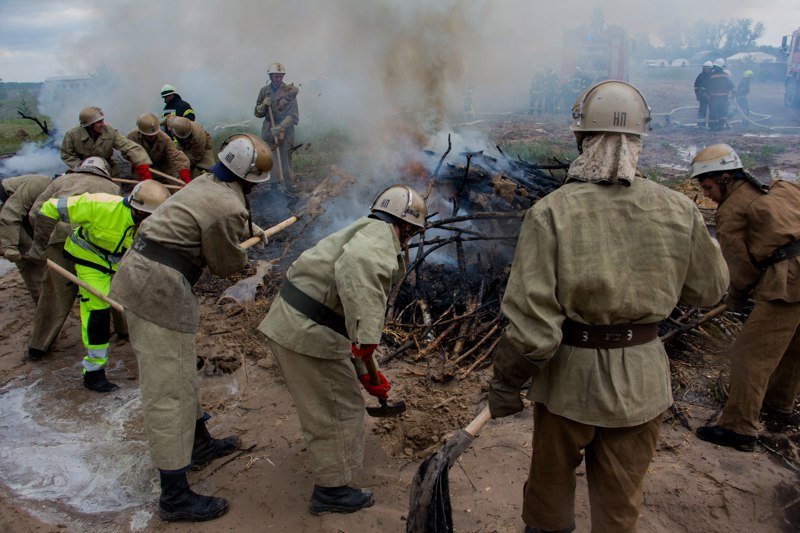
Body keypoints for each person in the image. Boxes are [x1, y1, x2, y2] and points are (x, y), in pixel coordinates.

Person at [487, 80, 729, 533]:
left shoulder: (552, 212)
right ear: (639, 141)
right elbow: (709, 290)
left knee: (549, 496)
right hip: (643, 382)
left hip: (569, 383)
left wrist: (506, 385)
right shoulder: (680, 209)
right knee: (620, 503)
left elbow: (533, 328)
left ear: (582, 139)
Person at [108, 134, 272, 522]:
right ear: (250, 180)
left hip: (147, 276)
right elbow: (225, 265)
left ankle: (199, 445)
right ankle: (175, 497)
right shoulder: (227, 206)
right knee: (168, 390)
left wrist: (244, 233)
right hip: (157, 289)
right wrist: (243, 254)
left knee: (179, 374)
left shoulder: (206, 181)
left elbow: (212, 225)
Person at [257, 184, 426, 515]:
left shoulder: (366, 229)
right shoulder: (379, 238)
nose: (411, 237)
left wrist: (365, 372)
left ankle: (331, 474)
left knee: (332, 399)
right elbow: (357, 271)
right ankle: (331, 492)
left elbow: (345, 309)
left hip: (296, 321)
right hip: (305, 330)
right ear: (406, 225)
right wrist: (368, 339)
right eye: (412, 231)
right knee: (339, 407)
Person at [693, 144, 800, 452]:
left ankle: (738, 428)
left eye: (709, 187)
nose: (708, 195)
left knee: (749, 356)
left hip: (788, 282)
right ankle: (778, 405)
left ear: (725, 178)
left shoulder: (732, 210)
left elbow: (740, 267)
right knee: (794, 346)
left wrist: (736, 298)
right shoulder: (780, 186)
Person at [37, 181, 170, 392]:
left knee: (148, 301)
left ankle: (161, 354)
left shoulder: (157, 223)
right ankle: (93, 372)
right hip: (90, 261)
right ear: (136, 209)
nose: (150, 220)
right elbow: (48, 208)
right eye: (147, 216)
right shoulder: (99, 205)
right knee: (98, 312)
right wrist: (38, 246)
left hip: (123, 263)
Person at [25, 157, 122, 361]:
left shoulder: (60, 181)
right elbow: (115, 221)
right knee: (110, 288)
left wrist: (45, 238)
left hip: (58, 242)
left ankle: (38, 346)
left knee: (54, 293)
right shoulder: (112, 188)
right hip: (93, 247)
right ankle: (123, 331)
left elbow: (36, 212)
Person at [60, 106, 152, 179]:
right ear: (89, 125)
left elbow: (128, 146)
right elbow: (67, 155)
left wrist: (141, 163)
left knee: (112, 193)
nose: (103, 124)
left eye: (102, 121)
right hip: (82, 172)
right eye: (98, 122)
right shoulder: (72, 135)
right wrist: (81, 166)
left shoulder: (110, 132)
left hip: (108, 170)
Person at [0, 174, 52, 302]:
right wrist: (10, 247)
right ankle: (43, 303)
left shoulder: (64, 195)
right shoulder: (38, 185)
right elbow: (9, 215)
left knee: (40, 254)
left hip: (20, 214)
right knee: (29, 260)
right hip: (6, 212)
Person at [254, 62, 299, 183]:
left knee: (285, 157)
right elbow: (258, 113)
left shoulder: (289, 91)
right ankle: (274, 186)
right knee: (271, 158)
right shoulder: (264, 91)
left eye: (281, 76)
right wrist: (263, 105)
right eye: (276, 76)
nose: (279, 79)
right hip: (269, 128)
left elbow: (293, 115)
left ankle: (287, 185)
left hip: (285, 130)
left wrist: (280, 127)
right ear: (270, 76)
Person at [127, 112, 192, 184]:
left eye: (155, 134)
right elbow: (126, 152)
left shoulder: (165, 139)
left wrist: (184, 173)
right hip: (141, 170)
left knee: (172, 188)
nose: (153, 136)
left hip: (163, 170)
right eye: (149, 135)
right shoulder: (132, 137)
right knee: (141, 189)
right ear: (142, 132)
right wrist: (135, 160)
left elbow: (176, 156)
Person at [707, 59, 735, 131]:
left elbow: (707, 86)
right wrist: (733, 93)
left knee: (714, 112)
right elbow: (731, 86)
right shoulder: (726, 75)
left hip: (714, 98)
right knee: (722, 112)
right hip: (724, 98)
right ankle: (720, 126)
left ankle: (713, 127)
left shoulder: (711, 75)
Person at [694, 61, 713, 128]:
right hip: (702, 96)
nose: (707, 69)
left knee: (712, 110)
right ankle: (701, 124)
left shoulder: (713, 76)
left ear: (711, 69)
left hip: (711, 96)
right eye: (706, 68)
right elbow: (696, 86)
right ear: (703, 68)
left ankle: (712, 124)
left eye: (708, 68)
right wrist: (697, 95)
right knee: (702, 110)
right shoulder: (700, 76)